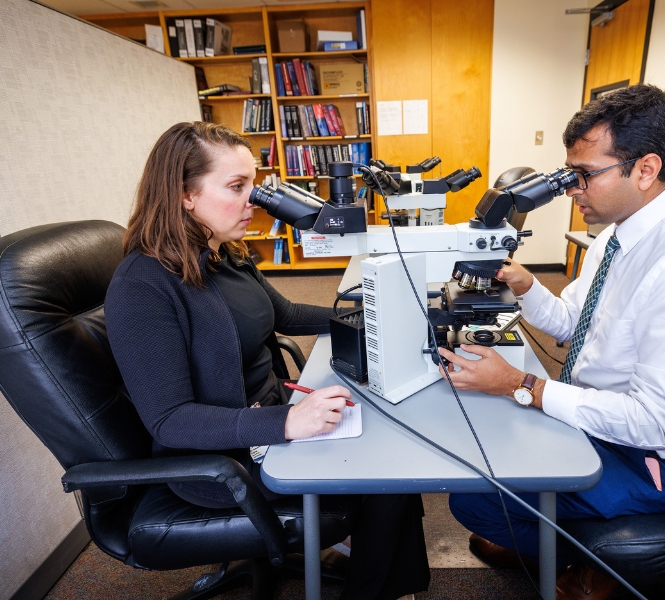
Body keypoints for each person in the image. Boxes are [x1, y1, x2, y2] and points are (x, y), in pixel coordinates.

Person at [437, 85, 665, 600]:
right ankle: (543, 539)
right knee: (488, 452)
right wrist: (525, 283)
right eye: (568, 174)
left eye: (584, 176)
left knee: (473, 501)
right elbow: (572, 324)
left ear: (645, 170)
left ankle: (587, 562)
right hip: (606, 425)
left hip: (660, 464)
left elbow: (655, 420)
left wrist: (522, 385)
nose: (570, 189)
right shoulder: (619, 232)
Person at [104, 121, 429, 600]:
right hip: (219, 462)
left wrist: (382, 314)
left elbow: (288, 313)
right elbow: (170, 422)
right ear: (184, 195)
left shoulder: (224, 254)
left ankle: (377, 570)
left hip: (269, 420)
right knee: (389, 473)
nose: (253, 200)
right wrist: (286, 424)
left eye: (253, 185)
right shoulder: (143, 286)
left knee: (392, 439)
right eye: (236, 187)